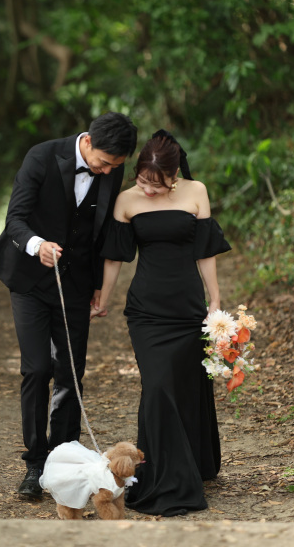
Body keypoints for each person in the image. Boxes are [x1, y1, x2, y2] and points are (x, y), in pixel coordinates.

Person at [0, 112, 138, 499]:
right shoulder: (41, 157)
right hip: (30, 281)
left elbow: (102, 232)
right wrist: (38, 245)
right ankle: (35, 463)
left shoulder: (111, 169)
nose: (106, 172)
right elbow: (15, 218)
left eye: (115, 167)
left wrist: (102, 287)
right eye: (104, 163)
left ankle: (64, 460)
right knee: (37, 370)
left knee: (70, 374)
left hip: (76, 284)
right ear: (87, 142)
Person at [91, 129, 231, 516]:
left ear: (174, 176)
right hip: (147, 311)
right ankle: (162, 477)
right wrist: (103, 296)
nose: (148, 190)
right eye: (142, 181)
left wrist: (214, 297)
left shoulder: (196, 192)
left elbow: (205, 252)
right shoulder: (125, 201)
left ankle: (194, 463)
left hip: (187, 307)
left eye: (158, 184)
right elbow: (116, 257)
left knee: (186, 386)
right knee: (157, 388)